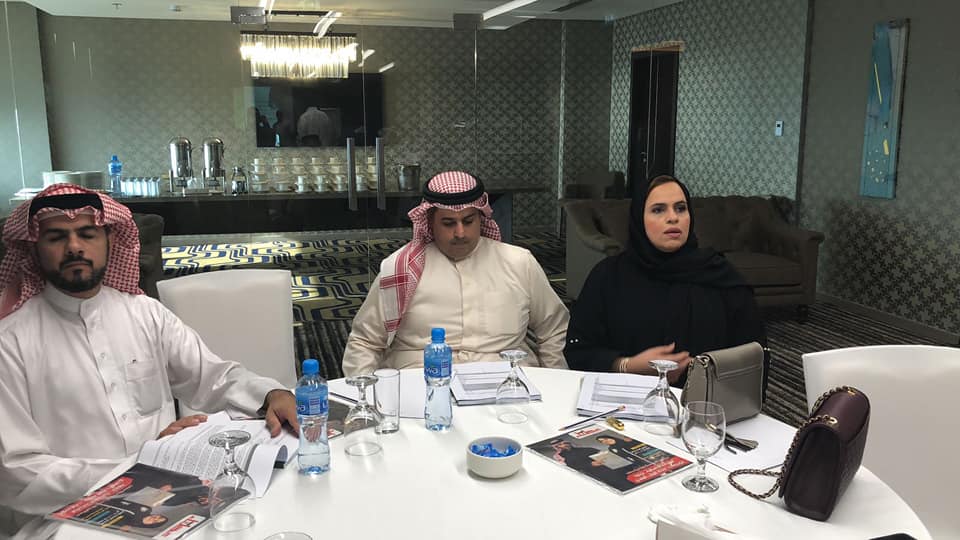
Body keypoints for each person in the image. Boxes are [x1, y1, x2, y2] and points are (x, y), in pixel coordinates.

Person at [0, 184, 298, 536]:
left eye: (87, 234)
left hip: (169, 497)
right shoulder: (10, 341)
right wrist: (136, 467)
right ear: (34, 247)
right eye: (56, 237)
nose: (74, 247)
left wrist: (270, 395)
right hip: (66, 518)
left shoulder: (145, 315)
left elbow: (212, 377)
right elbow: (16, 471)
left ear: (110, 240)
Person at [342, 171, 569, 375]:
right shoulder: (400, 268)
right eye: (448, 223)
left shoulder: (519, 262)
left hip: (506, 381)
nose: (460, 233)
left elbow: (552, 328)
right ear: (430, 223)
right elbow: (365, 342)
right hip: (420, 379)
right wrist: (366, 398)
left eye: (468, 221)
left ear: (481, 218)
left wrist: (558, 383)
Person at [564, 175, 765, 386]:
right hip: (625, 398)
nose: (673, 218)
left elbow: (753, 358)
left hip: (705, 401)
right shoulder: (609, 277)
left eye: (680, 208)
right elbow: (579, 350)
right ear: (639, 218)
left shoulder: (721, 276)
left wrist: (705, 372)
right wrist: (628, 366)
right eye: (658, 210)